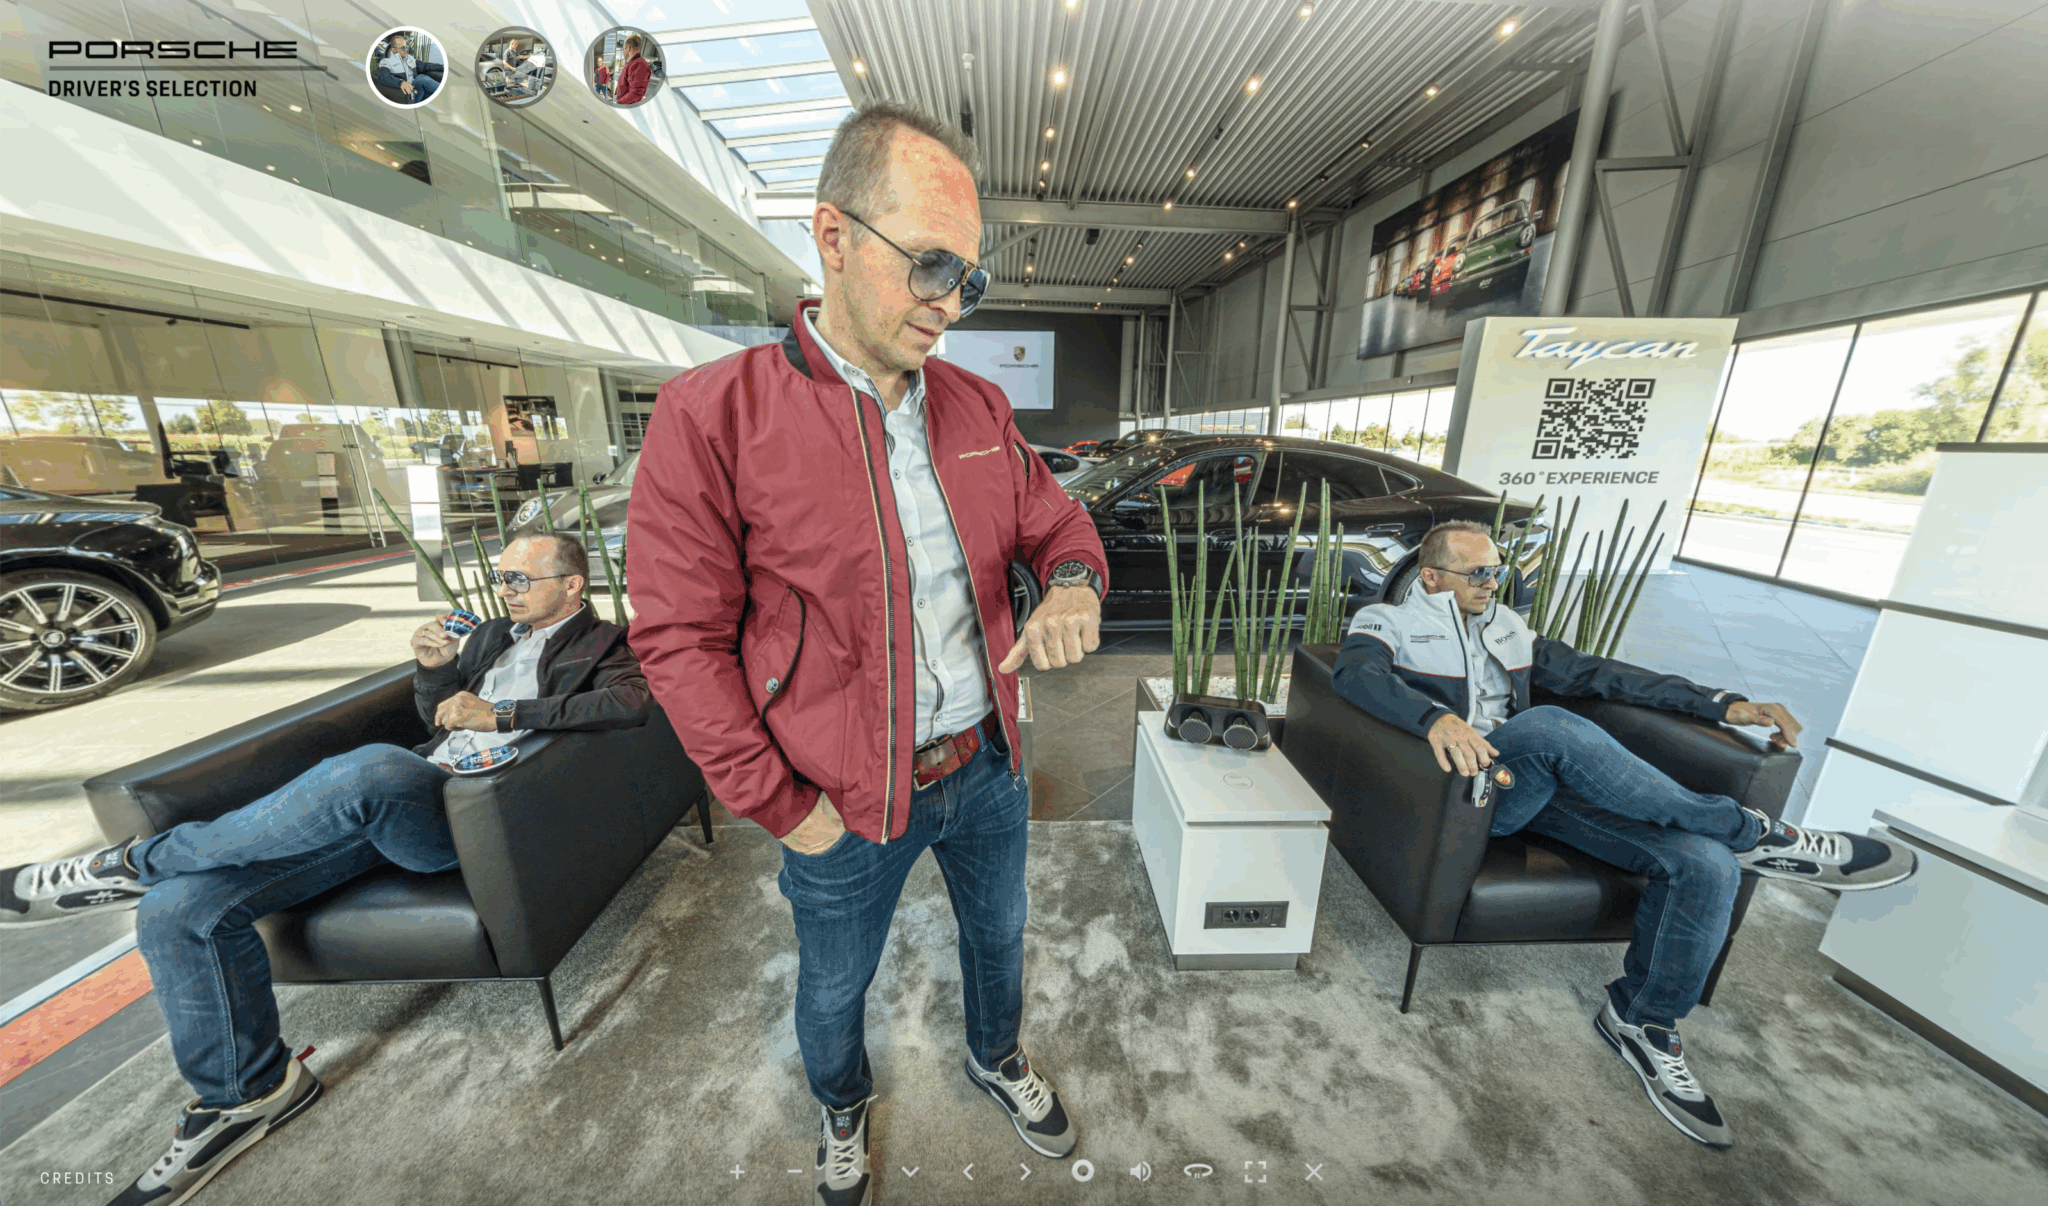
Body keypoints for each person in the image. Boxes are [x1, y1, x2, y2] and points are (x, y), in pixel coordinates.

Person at [626, 102, 1107, 1206]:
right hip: (835, 795)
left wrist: (1073, 585)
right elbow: (679, 640)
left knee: (1001, 941)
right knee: (834, 983)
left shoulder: (978, 405)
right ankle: (841, 1103)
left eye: (969, 281)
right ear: (831, 236)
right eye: (929, 265)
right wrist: (785, 808)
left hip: (984, 769)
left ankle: (994, 1058)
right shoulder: (713, 414)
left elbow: (1058, 529)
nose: (948, 303)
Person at [0, 533, 650, 1204]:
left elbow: (631, 705)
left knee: (378, 764)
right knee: (178, 910)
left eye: (521, 577)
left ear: (573, 584)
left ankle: (135, 861)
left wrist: (505, 711)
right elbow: (440, 723)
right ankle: (249, 1094)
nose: (506, 587)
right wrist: (433, 669)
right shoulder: (489, 638)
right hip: (399, 802)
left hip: (476, 818)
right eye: (502, 575)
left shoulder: (607, 645)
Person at [1333, 520, 1917, 1151]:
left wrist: (1722, 703)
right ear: (1431, 576)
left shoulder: (1509, 629)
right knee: (1551, 724)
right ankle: (1757, 832)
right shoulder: (1386, 623)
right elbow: (1357, 676)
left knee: (1705, 863)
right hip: (1468, 796)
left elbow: (1606, 676)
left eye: (1497, 570)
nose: (1492, 582)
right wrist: (1435, 717)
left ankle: (1642, 1020)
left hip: (1539, 791)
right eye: (1477, 573)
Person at [375, 33, 435, 105]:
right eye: (403, 48)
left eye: (406, 47)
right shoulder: (386, 62)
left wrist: (442, 67)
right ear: (394, 50)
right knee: (421, 78)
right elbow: (383, 77)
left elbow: (425, 65)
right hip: (408, 93)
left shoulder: (409, 59)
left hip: (417, 90)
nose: (406, 50)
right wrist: (401, 83)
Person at [613, 34, 650, 106]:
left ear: (628, 48)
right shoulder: (633, 63)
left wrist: (619, 102)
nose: (623, 52)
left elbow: (636, 93)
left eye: (623, 49)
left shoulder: (639, 64)